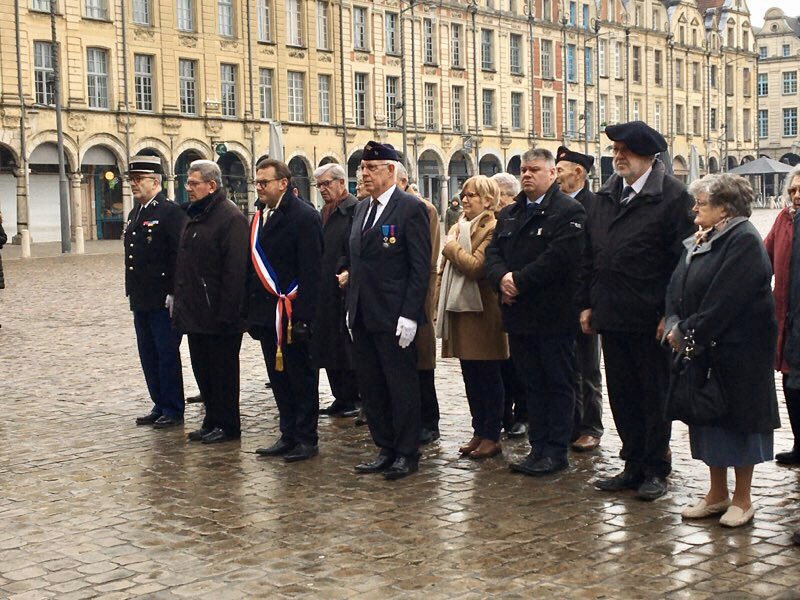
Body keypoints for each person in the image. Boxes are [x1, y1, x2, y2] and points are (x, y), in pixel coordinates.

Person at [580, 121, 695, 500]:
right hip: (612, 314)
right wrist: (587, 303)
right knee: (623, 394)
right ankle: (632, 463)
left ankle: (655, 467)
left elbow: (683, 262)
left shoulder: (673, 197)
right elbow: (590, 256)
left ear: (647, 155)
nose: (618, 157)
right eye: (615, 151)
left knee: (654, 395)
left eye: (625, 152)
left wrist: (671, 312)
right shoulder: (607, 195)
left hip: (650, 319)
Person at [665, 173, 780, 527]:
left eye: (701, 203)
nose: (694, 209)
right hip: (706, 347)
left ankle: (742, 499)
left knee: (740, 423)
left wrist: (687, 330)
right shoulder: (703, 237)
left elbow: (725, 299)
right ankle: (717, 493)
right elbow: (677, 283)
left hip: (740, 352)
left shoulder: (743, 240)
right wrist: (673, 320)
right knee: (709, 420)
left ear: (725, 209)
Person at [485, 148, 586, 476]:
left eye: (534, 170)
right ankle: (537, 446)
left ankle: (555, 450)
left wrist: (518, 281)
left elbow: (559, 259)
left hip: (553, 315)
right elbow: (493, 253)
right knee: (532, 383)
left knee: (557, 383)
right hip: (519, 314)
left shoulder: (568, 211)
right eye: (523, 170)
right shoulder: (510, 213)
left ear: (552, 174)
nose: (527, 175)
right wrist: (501, 279)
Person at [344, 141, 431, 480]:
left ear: (391, 170)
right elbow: (358, 262)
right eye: (362, 168)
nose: (364, 174)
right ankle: (385, 446)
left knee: (400, 386)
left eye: (371, 168)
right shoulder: (362, 209)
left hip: (394, 315)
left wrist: (410, 314)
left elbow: (419, 268)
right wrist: (351, 308)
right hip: (363, 313)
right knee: (372, 386)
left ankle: (406, 452)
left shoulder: (409, 208)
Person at [248, 159, 323, 463]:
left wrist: (305, 317)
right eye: (257, 182)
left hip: (293, 313)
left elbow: (312, 270)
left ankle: (306, 438)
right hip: (268, 312)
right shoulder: (259, 216)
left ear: (283, 183)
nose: (259, 187)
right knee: (278, 377)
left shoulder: (304, 216)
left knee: (301, 377)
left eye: (264, 182)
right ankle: (287, 432)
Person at [172, 160, 249, 444]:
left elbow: (235, 270)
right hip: (196, 311)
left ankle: (227, 424)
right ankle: (211, 420)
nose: (188, 188)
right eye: (188, 183)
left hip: (219, 314)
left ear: (211, 185)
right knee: (203, 370)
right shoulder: (195, 214)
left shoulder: (230, 217)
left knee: (222, 373)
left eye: (194, 183)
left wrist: (227, 313)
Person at [436, 176, 508, 459]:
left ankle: (492, 434)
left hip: (483, 312)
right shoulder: (459, 226)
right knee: (470, 376)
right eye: (464, 195)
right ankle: (478, 429)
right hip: (460, 310)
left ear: (488, 200)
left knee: (488, 376)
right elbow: (445, 269)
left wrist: (451, 246)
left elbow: (477, 267)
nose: (464, 200)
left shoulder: (492, 228)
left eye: (472, 195)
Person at [125, 155, 188, 429]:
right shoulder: (135, 213)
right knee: (148, 354)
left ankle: (173, 407)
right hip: (141, 297)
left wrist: (174, 292)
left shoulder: (170, 212)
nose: (133, 184)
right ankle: (159, 402)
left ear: (155, 181)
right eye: (131, 179)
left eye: (138, 179)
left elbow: (179, 255)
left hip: (163, 298)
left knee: (166, 354)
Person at [555, 146, 604, 452]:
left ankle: (591, 426)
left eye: (560, 170)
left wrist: (591, 301)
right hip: (559, 299)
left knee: (588, 367)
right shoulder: (556, 204)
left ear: (578, 173)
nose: (556, 176)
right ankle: (570, 423)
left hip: (584, 297)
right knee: (566, 367)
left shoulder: (595, 205)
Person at [396, 162, 441, 444]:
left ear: (402, 181)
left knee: (422, 360)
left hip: (418, 295)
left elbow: (428, 259)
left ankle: (429, 421)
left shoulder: (424, 209)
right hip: (395, 297)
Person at [313, 163, 360, 418]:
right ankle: (340, 396)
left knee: (345, 347)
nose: (322, 189)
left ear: (341, 183)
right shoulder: (324, 212)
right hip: (326, 287)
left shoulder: (354, 209)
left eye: (326, 183)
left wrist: (348, 271)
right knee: (329, 345)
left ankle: (352, 396)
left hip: (344, 288)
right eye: (319, 185)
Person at [764, 165, 800, 466]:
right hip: (786, 316)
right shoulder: (784, 219)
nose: (797, 195)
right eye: (793, 190)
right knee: (790, 382)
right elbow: (765, 257)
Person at [491, 172, 527, 439]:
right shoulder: (497, 221)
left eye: (498, 194)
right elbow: (492, 257)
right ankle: (504, 413)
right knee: (502, 366)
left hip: (517, 299)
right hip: (497, 299)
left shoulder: (517, 217)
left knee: (519, 365)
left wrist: (511, 282)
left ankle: (524, 415)